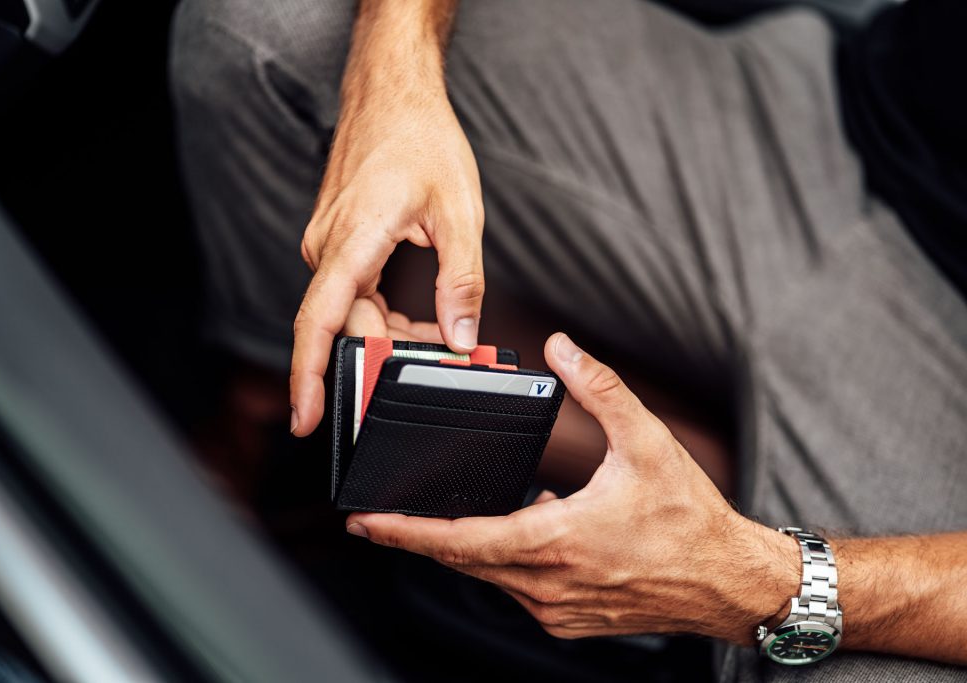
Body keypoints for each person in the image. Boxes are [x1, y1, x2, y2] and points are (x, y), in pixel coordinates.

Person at [169, 0, 967, 680]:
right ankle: (278, 418)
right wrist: (396, 72)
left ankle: (705, 488)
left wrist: (761, 581)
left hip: (945, 426)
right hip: (834, 128)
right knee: (270, 31)